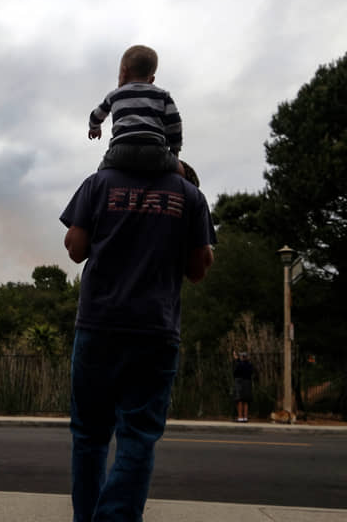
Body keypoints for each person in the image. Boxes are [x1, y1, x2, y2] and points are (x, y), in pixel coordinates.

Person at [60, 165, 215, 521]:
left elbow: (74, 248)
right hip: (154, 329)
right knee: (138, 437)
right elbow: (198, 269)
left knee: (89, 435)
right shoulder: (190, 194)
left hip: (98, 325)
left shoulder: (99, 182)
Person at [88, 45, 185, 177]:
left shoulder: (114, 95)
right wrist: (174, 151)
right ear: (151, 80)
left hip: (120, 150)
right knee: (180, 171)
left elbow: (96, 116)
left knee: (99, 176)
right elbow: (175, 124)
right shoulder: (163, 96)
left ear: (123, 71)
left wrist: (94, 128)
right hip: (154, 150)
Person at [233, 351, 256, 422]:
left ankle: (240, 417)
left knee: (240, 400)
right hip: (248, 382)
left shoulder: (239, 364)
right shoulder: (250, 364)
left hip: (240, 382)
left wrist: (236, 360)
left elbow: (235, 372)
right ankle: (245, 417)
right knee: (246, 401)